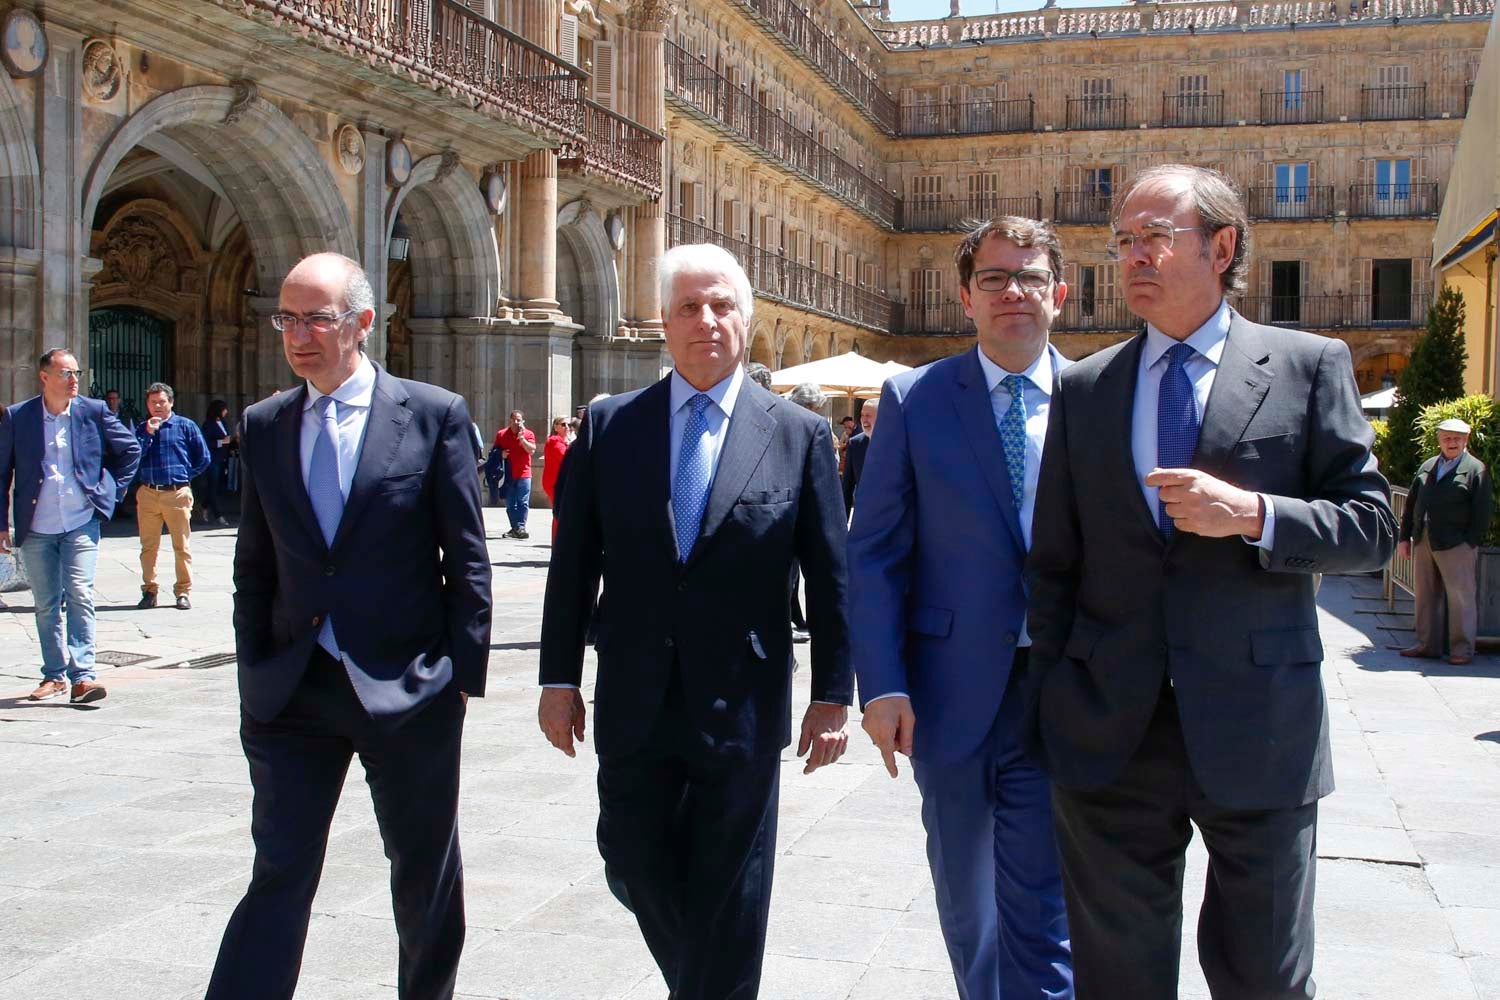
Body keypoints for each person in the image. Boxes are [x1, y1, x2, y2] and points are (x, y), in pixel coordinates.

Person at [1027, 165, 1394, 999]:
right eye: (1123, 243)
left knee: (1264, 976)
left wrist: (1257, 514)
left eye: (1155, 238)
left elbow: (1373, 528)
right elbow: (1054, 563)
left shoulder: (1308, 366)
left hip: (1259, 730)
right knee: (1116, 979)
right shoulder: (1085, 388)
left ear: (1222, 247)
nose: (1132, 259)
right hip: (1109, 731)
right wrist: (1054, 697)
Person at [538, 243, 852, 1000]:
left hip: (742, 698)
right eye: (689, 307)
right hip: (633, 692)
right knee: (629, 858)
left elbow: (832, 574)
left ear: (745, 317)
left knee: (734, 889)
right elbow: (574, 562)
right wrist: (557, 677)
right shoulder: (612, 426)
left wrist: (834, 693)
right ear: (665, 323)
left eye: (722, 306)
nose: (706, 321)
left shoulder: (796, 433)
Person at [206, 252, 492, 1000]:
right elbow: (254, 564)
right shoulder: (266, 424)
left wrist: (462, 676)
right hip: (293, 690)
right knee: (279, 871)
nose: (298, 335)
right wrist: (253, 671)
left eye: (317, 318)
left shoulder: (432, 415)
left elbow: (466, 558)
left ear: (363, 323)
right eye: (287, 319)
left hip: (407, 688)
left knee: (423, 871)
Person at [849, 216, 1074, 1000]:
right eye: (994, 278)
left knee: (1046, 909)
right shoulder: (915, 398)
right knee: (968, 902)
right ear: (964, 298)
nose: (1014, 291)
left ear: (1061, 295)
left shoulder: (1097, 398)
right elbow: (874, 550)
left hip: (1064, 691)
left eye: (1032, 277)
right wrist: (881, 685)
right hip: (947, 695)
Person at [0, 349, 140, 704]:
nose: (74, 379)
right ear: (44, 377)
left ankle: (84, 676)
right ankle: (54, 676)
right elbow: (3, 474)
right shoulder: (19, 417)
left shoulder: (93, 411)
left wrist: (110, 490)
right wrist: (2, 523)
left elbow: (130, 450)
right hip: (37, 525)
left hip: (80, 520)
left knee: (80, 592)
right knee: (46, 603)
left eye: (76, 372)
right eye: (65, 373)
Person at [1399, 417, 1492, 665]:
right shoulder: (1427, 465)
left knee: (1461, 597)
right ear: (1439, 440)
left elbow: (1483, 510)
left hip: (1457, 542)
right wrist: (1404, 537)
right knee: (1425, 594)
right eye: (1447, 438)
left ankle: (1461, 650)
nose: (1452, 442)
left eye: (1457, 438)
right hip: (1424, 537)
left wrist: (1471, 541)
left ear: (1466, 440)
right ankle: (1426, 645)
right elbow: (1411, 505)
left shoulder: (1475, 469)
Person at [134, 382, 211, 611]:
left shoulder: (185, 426)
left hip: (176, 493)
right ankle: (149, 590)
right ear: (147, 404)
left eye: (161, 401)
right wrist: (148, 434)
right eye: (152, 402)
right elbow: (133, 457)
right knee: (149, 546)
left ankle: (183, 591)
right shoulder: (141, 428)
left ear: (171, 402)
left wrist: (184, 477)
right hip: (148, 492)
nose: (157, 406)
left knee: (181, 545)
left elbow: (204, 457)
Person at [785, 382, 831, 643]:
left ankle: (796, 618)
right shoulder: (799, 425)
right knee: (790, 575)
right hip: (788, 516)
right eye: (816, 408)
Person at [495, 409, 536, 539]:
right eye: (514, 420)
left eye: (519, 420)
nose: (516, 422)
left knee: (523, 502)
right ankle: (515, 528)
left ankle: (521, 527)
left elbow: (532, 450)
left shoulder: (528, 434)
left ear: (523, 421)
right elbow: (494, 451)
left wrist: (522, 439)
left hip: (524, 473)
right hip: (508, 474)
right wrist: (500, 454)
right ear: (510, 420)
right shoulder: (501, 434)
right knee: (510, 503)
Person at [199, 399, 234, 526]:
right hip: (212, 459)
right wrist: (221, 442)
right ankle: (218, 515)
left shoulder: (223, 423)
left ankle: (203, 507)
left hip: (222, 458)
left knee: (215, 487)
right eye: (224, 409)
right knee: (212, 486)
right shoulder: (208, 424)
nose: (226, 411)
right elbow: (206, 442)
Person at [841, 398, 878, 512]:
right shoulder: (855, 443)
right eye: (862, 415)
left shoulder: (897, 443)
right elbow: (847, 486)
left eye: (868, 415)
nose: (864, 420)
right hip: (863, 515)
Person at [542, 415, 570, 542]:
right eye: (563, 424)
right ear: (555, 427)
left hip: (556, 481)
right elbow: (566, 458)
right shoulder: (555, 441)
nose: (567, 427)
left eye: (568, 425)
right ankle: (557, 542)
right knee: (560, 512)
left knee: (559, 512)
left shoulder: (561, 441)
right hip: (555, 482)